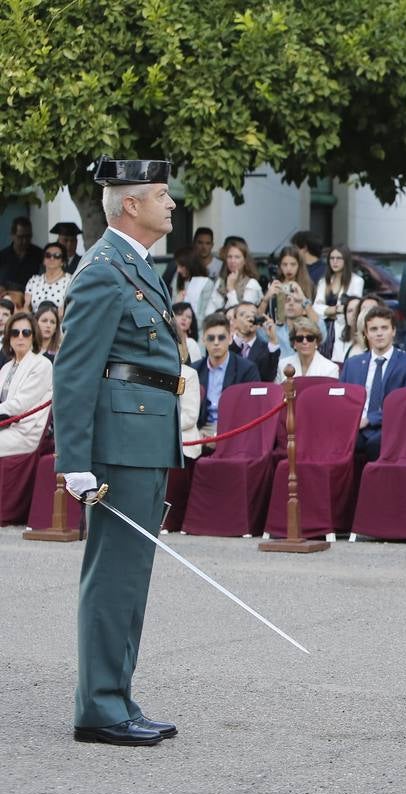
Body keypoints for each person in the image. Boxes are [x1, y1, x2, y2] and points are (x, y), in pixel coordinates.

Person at [51, 157, 184, 746]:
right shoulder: (103, 269)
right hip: (120, 442)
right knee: (113, 577)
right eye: (161, 194)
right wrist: (73, 462)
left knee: (132, 577)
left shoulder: (136, 265)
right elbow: (74, 372)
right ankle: (100, 707)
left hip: (145, 434)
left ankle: (116, 696)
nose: (172, 202)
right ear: (130, 204)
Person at [340, 306, 406, 461]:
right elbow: (342, 400)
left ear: (394, 331)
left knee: (375, 445)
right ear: (366, 334)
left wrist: (370, 419)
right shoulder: (352, 364)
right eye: (374, 329)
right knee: (342, 441)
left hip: (390, 426)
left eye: (384, 328)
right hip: (357, 425)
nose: (379, 333)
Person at [194, 312, 260, 438]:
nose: (216, 342)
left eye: (221, 337)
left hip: (235, 431)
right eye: (211, 338)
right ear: (203, 340)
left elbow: (252, 410)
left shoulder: (247, 369)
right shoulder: (195, 370)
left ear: (230, 338)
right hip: (201, 430)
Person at [0, 310, 53, 457]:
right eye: (15, 332)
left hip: (26, 432)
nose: (20, 337)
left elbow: (20, 405)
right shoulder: (6, 368)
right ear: (9, 338)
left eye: (26, 332)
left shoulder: (42, 364)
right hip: (6, 427)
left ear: (33, 336)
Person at [229, 300, 280, 383]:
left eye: (253, 315)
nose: (249, 318)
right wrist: (240, 335)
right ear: (234, 321)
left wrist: (273, 339)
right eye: (242, 314)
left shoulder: (267, 349)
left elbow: (269, 377)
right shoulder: (226, 345)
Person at [275, 317, 339, 382]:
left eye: (310, 338)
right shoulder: (282, 365)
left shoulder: (330, 368)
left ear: (316, 342)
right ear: (294, 343)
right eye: (299, 338)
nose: (305, 342)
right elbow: (278, 391)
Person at [262, 245, 315, 323]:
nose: (288, 268)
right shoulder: (274, 285)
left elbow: (314, 318)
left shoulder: (308, 285)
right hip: (273, 330)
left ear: (299, 265)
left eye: (293, 264)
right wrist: (266, 299)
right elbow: (260, 317)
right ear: (280, 265)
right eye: (285, 264)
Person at [313, 244, 365, 324]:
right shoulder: (323, 281)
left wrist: (326, 311)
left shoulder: (356, 281)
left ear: (346, 260)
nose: (334, 261)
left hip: (344, 327)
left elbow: (353, 308)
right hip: (324, 327)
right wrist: (335, 310)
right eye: (332, 258)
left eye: (339, 258)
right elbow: (316, 307)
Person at [212, 240, 263, 313]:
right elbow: (212, 311)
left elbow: (243, 315)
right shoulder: (220, 282)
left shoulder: (251, 284)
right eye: (229, 257)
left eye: (237, 257)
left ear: (245, 261)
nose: (232, 261)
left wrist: (231, 289)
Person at [170, 246, 214, 321]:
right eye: (177, 266)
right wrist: (177, 304)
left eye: (181, 266)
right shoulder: (177, 280)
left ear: (190, 264)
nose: (178, 270)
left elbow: (204, 315)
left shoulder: (206, 283)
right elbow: (171, 310)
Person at [24, 242, 71, 310]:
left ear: (63, 261)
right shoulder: (34, 281)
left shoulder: (70, 281)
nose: (52, 258)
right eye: (48, 255)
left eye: (57, 256)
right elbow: (26, 306)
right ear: (43, 260)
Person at [0, 216, 41, 293]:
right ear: (12, 235)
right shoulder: (2, 256)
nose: (24, 241)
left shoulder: (40, 255)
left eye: (28, 237)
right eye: (20, 237)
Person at [322, 294, 364, 365]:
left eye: (357, 310)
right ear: (345, 316)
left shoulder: (369, 339)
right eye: (350, 311)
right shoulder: (338, 334)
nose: (354, 314)